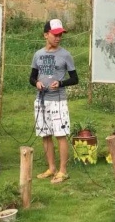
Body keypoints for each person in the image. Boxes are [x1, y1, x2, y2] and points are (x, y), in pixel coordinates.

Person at [30, 19, 79, 184]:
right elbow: (31, 77)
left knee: (60, 135)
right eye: (55, 34)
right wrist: (36, 83)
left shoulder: (65, 55)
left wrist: (61, 83)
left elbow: (75, 79)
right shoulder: (38, 55)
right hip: (41, 100)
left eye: (60, 35)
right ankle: (51, 168)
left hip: (58, 100)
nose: (58, 38)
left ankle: (63, 170)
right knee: (45, 135)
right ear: (46, 35)